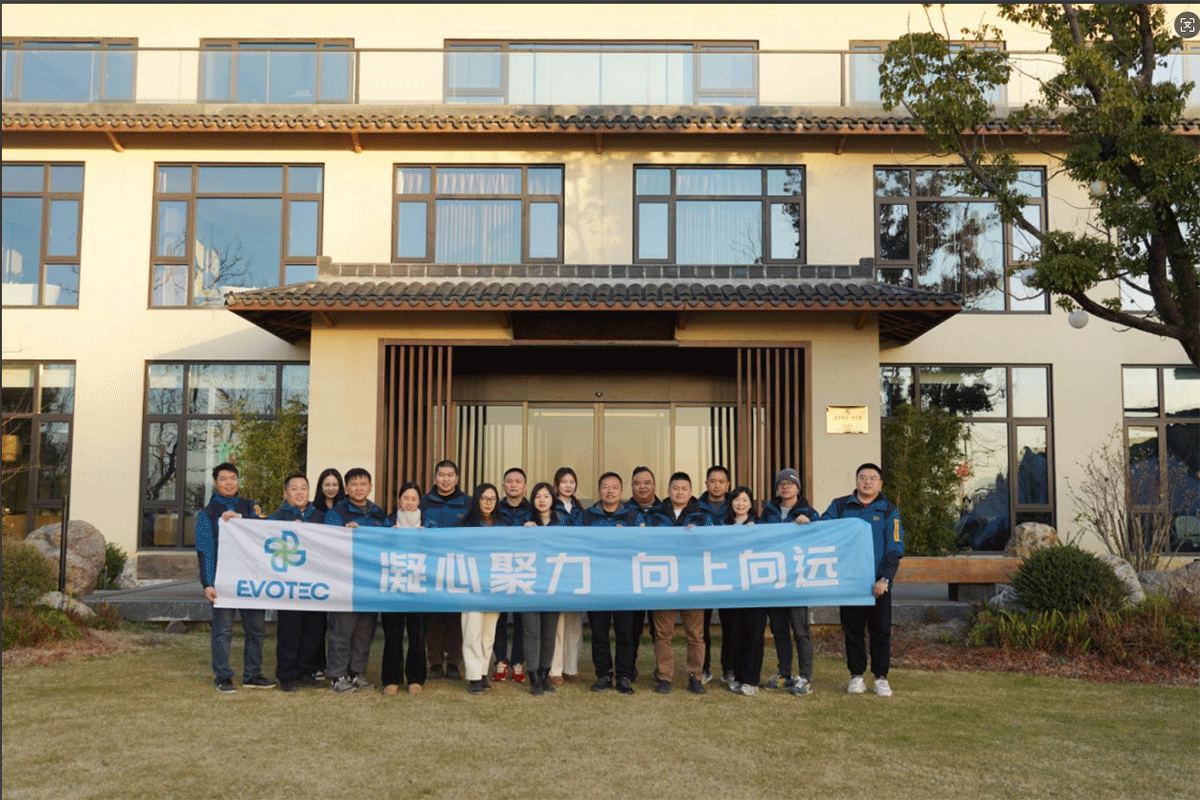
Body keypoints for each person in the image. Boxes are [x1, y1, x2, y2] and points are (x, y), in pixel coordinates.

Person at [816, 462, 905, 698]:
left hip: (878, 583)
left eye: (872, 478)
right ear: (856, 481)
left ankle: (881, 678)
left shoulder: (888, 510)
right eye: (862, 477)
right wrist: (807, 520)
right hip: (850, 581)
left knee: (880, 631)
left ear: (880, 484)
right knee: (852, 631)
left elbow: (895, 547)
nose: (867, 482)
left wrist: (885, 578)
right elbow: (823, 528)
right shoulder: (840, 505)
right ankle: (856, 676)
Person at [195, 462, 275, 692]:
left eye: (233, 478)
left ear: (238, 481)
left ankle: (252, 674)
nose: (229, 483)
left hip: (252, 579)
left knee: (256, 629)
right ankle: (222, 676)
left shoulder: (250, 506)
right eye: (223, 479)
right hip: (224, 581)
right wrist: (208, 583)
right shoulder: (207, 514)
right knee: (223, 631)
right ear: (215, 483)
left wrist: (242, 519)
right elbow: (205, 550)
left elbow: (268, 528)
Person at [324, 467, 390, 694]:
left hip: (371, 582)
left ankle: (356, 673)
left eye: (363, 484)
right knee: (342, 631)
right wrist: (344, 533)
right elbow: (328, 543)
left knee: (364, 632)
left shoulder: (378, 513)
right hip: (346, 582)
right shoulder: (337, 514)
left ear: (370, 487)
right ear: (346, 488)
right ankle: (337, 676)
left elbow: (390, 538)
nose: (359, 488)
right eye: (354, 484)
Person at [647, 472, 711, 694]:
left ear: (691, 492)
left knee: (695, 635)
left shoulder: (702, 516)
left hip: (692, 581)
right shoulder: (655, 515)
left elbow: (712, 541)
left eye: (684, 489)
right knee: (663, 634)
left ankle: (695, 676)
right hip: (663, 581)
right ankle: (664, 676)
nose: (680, 492)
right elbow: (647, 542)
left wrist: (698, 535)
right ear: (668, 491)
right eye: (676, 488)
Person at [759, 468, 820, 695]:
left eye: (790, 484)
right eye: (781, 484)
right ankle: (784, 673)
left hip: (797, 579)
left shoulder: (809, 512)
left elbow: (822, 532)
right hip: (774, 579)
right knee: (779, 630)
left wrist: (810, 523)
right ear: (777, 489)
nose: (785, 487)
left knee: (801, 631)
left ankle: (805, 677)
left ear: (798, 488)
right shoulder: (768, 512)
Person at [583, 471, 640, 695]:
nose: (610, 491)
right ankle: (603, 674)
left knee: (626, 632)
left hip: (625, 583)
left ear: (621, 491)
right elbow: (571, 539)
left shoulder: (634, 517)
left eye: (614, 487)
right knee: (599, 632)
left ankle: (624, 676)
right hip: (596, 583)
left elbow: (646, 542)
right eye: (605, 487)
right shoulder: (586, 517)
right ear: (599, 491)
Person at [268, 473, 326, 692]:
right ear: (286, 493)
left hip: (314, 584)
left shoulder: (320, 517)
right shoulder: (276, 518)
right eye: (294, 488)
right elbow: (262, 538)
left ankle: (306, 671)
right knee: (289, 630)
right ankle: (287, 675)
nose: (299, 492)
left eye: (303, 488)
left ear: (309, 492)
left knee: (313, 629)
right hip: (288, 585)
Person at [420, 459, 469, 681]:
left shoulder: (468, 503)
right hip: (431, 567)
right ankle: (435, 663)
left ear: (457, 478)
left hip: (459, 567)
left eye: (450, 475)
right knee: (433, 617)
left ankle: (454, 663)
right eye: (441, 475)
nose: (446, 479)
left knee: (455, 617)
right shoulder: (423, 502)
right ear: (435, 477)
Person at [380, 481, 428, 696]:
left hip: (419, 586)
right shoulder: (387, 522)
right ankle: (391, 678)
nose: (409, 502)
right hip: (393, 585)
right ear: (399, 500)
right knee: (393, 635)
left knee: (417, 635)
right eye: (405, 498)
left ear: (419, 501)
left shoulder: (428, 524)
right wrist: (387, 536)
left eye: (414, 499)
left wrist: (427, 538)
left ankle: (416, 678)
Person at [720, 487, 769, 696]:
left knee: (754, 634)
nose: (740, 504)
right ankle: (738, 676)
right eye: (736, 500)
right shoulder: (723, 527)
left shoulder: (760, 526)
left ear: (751, 504)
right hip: (731, 589)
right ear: (731, 503)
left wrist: (755, 533)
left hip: (756, 589)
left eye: (745, 500)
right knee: (734, 634)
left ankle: (751, 680)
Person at [521, 482, 562, 696]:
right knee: (531, 632)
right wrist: (524, 532)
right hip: (530, 586)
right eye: (538, 496)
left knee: (549, 633)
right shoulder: (525, 522)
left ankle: (545, 674)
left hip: (554, 585)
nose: (542, 500)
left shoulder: (562, 523)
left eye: (546, 496)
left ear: (553, 499)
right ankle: (534, 677)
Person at [461, 483, 502, 694]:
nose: (488, 502)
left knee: (488, 633)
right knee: (472, 631)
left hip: (495, 585)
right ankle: (474, 676)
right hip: (472, 585)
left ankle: (483, 672)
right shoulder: (465, 525)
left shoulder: (503, 526)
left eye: (492, 499)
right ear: (477, 499)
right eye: (484, 498)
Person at [493, 466, 531, 684]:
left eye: (518, 481)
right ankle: (500, 660)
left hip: (525, 569)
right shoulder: (495, 509)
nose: (513, 485)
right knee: (498, 618)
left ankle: (518, 661)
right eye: (509, 481)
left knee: (521, 619)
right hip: (500, 567)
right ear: (503, 486)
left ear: (525, 487)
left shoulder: (533, 509)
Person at [549, 466, 584, 686]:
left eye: (571, 482)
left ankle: (571, 667)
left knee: (574, 621)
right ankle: (555, 669)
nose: (568, 486)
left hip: (576, 569)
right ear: (556, 485)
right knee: (558, 621)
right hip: (556, 568)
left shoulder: (581, 510)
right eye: (564, 482)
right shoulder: (551, 507)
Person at [697, 465, 731, 684]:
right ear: (706, 484)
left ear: (727, 485)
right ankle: (703, 667)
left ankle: (729, 668)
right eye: (713, 481)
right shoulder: (695, 507)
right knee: (702, 625)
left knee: (730, 625)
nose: (717, 485)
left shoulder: (736, 505)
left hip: (729, 571)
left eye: (721, 481)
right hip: (702, 572)